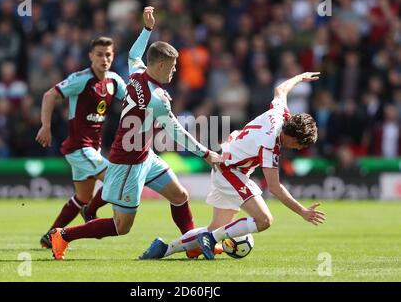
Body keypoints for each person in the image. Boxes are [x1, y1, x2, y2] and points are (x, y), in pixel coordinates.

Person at [48, 6, 222, 260]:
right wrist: (206, 153)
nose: (175, 71)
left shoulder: (136, 72)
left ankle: (191, 245)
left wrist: (147, 29)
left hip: (144, 155)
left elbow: (134, 53)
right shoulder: (158, 98)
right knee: (122, 226)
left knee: (179, 195)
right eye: (173, 67)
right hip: (128, 162)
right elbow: (177, 132)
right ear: (161, 64)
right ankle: (63, 235)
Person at [140, 72, 327, 260]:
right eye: (298, 144)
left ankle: (164, 249)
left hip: (228, 166)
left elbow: (280, 90)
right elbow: (275, 187)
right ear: (292, 136)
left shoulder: (281, 114)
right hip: (230, 171)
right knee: (264, 220)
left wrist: (298, 78)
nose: (297, 148)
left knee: (216, 228)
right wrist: (302, 211)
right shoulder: (270, 143)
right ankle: (211, 238)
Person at [35, 36, 127, 248]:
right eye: (100, 55)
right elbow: (50, 95)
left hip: (91, 148)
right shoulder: (81, 79)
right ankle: (90, 212)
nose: (104, 59)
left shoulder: (114, 81)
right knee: (115, 176)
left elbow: (133, 98)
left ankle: (50, 236)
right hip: (79, 147)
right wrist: (45, 126)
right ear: (90, 56)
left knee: (83, 196)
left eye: (108, 55)